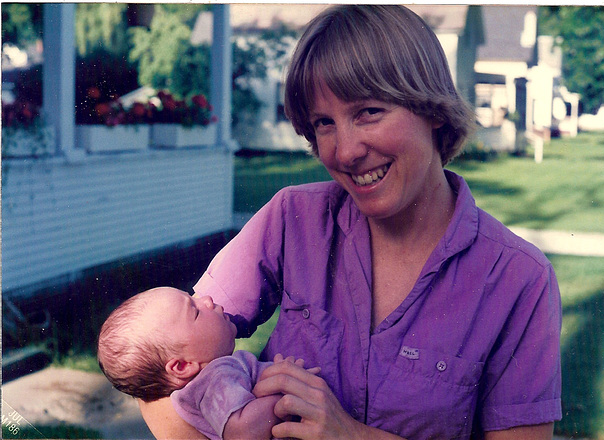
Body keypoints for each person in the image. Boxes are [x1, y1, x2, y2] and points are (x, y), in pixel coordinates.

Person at [139, 5, 562, 439]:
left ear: (433, 108)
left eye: (368, 112)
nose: (344, 152)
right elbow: (158, 367)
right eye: (324, 123)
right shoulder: (290, 221)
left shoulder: (519, 281)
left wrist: (350, 434)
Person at [97, 286, 318, 440]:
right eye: (195, 311)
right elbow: (244, 433)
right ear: (183, 366)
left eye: (194, 298)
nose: (207, 300)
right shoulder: (213, 381)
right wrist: (283, 387)